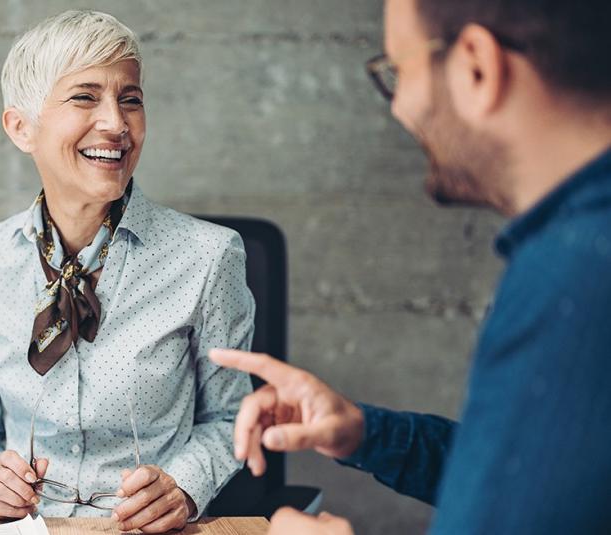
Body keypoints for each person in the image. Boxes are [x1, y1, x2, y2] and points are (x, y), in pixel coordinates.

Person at [211, 0, 611, 533]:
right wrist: (365, 433)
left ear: (477, 66)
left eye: (399, 71)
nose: (399, 108)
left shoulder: (572, 277)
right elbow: (535, 478)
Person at [0, 10, 255, 533]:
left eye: (130, 99)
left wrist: (182, 487)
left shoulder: (209, 256)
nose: (116, 123)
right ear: (21, 128)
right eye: (85, 97)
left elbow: (230, 418)